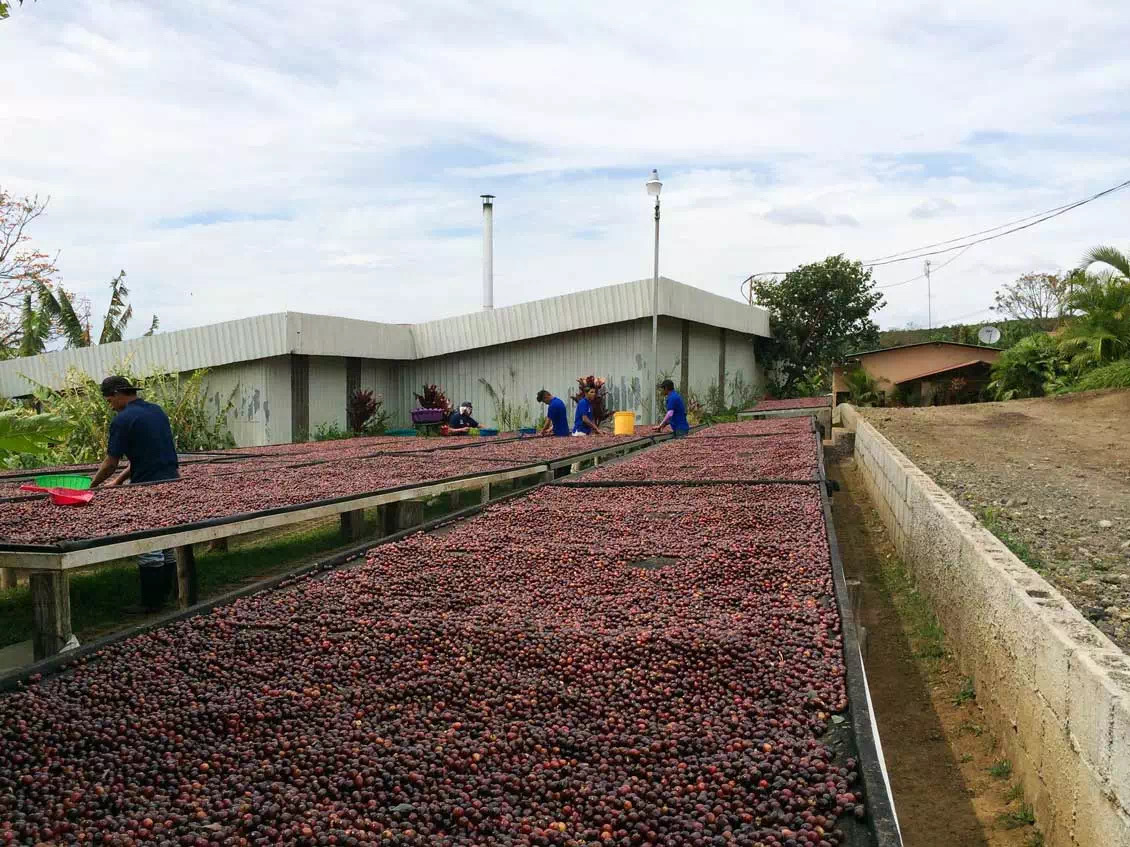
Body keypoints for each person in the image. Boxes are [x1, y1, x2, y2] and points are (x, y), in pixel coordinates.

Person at [90, 376, 180, 611]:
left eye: (110, 400)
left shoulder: (123, 419)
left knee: (148, 543)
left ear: (119, 395)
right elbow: (144, 457)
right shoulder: (156, 411)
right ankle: (166, 596)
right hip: (172, 481)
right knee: (167, 538)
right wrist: (119, 482)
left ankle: (151, 604)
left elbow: (111, 462)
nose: (110, 405)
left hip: (147, 488)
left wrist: (91, 487)